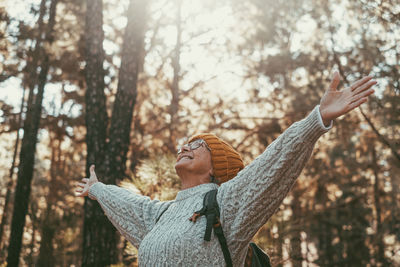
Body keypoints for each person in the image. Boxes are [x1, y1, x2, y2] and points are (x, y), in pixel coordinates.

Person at [75, 72, 376, 266]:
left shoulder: (227, 203)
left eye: (199, 146)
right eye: (186, 144)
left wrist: (317, 119)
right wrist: (97, 189)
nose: (186, 147)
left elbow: (273, 163)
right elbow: (128, 203)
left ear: (216, 168)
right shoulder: (159, 216)